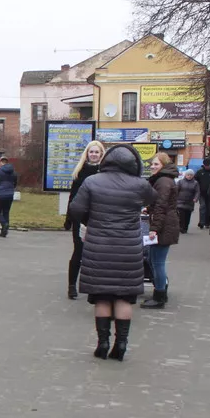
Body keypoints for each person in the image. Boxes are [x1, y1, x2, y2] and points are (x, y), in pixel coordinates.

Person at [68, 145, 157, 362]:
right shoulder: (140, 185)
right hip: (128, 248)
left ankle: (103, 343)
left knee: (102, 296)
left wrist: (91, 221)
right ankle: (122, 343)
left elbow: (75, 209)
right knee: (125, 296)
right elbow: (153, 199)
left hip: (98, 246)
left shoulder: (92, 182)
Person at [65, 140, 105, 299]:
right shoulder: (80, 171)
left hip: (99, 218)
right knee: (79, 252)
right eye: (91, 152)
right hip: (81, 219)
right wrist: (69, 218)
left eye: (96, 152)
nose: (94, 154)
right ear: (87, 154)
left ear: (102, 154)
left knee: (97, 254)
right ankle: (71, 286)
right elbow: (73, 197)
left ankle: (95, 287)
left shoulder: (105, 172)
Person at [141, 153, 180, 309]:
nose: (152, 166)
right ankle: (160, 290)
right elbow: (159, 203)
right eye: (152, 164)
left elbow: (161, 207)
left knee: (157, 262)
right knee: (153, 260)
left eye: (156, 164)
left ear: (163, 165)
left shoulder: (163, 181)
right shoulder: (165, 179)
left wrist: (154, 229)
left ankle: (159, 296)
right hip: (167, 224)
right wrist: (148, 209)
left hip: (164, 226)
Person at [195, 157, 210, 228]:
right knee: (202, 207)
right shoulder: (199, 172)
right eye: (205, 165)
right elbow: (196, 182)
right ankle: (202, 222)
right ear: (203, 165)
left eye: (208, 165)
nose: (207, 167)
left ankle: (208, 223)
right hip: (202, 193)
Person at [176, 169, 199, 233]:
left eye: (191, 175)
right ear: (185, 175)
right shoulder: (180, 182)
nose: (189, 176)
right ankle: (181, 227)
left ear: (193, 176)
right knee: (181, 216)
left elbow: (197, 192)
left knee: (187, 216)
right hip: (180, 201)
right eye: (188, 175)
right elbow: (176, 190)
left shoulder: (195, 183)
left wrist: (195, 198)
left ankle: (185, 227)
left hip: (190, 202)